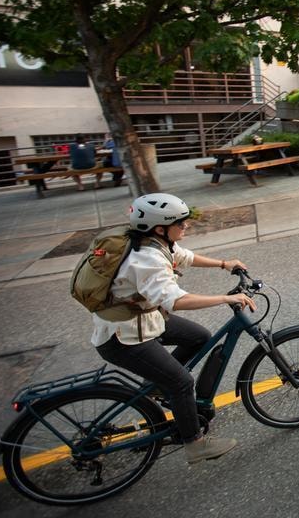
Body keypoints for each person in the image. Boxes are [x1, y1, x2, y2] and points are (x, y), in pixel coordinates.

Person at [92, 193, 255, 464]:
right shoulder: (146, 259)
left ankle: (156, 386)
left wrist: (224, 264)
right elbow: (177, 301)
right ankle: (195, 444)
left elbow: (183, 256)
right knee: (181, 382)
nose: (186, 227)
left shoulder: (154, 242)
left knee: (199, 337)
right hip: (124, 338)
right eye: (181, 224)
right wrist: (227, 298)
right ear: (160, 228)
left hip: (143, 321)